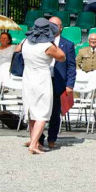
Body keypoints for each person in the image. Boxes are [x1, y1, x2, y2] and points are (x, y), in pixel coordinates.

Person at [19, 18, 66, 155]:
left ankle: (35, 141)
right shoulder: (47, 46)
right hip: (41, 78)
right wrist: (52, 44)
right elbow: (62, 57)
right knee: (42, 113)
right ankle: (33, 144)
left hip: (27, 76)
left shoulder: (24, 42)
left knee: (32, 111)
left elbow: (17, 51)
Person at [44, 16, 76, 150]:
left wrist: (70, 85)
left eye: (55, 25)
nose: (52, 27)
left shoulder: (67, 44)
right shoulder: (42, 42)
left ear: (60, 28)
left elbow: (71, 66)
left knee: (55, 112)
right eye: (50, 24)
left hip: (58, 81)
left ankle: (52, 138)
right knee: (41, 110)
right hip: (43, 79)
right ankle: (38, 138)